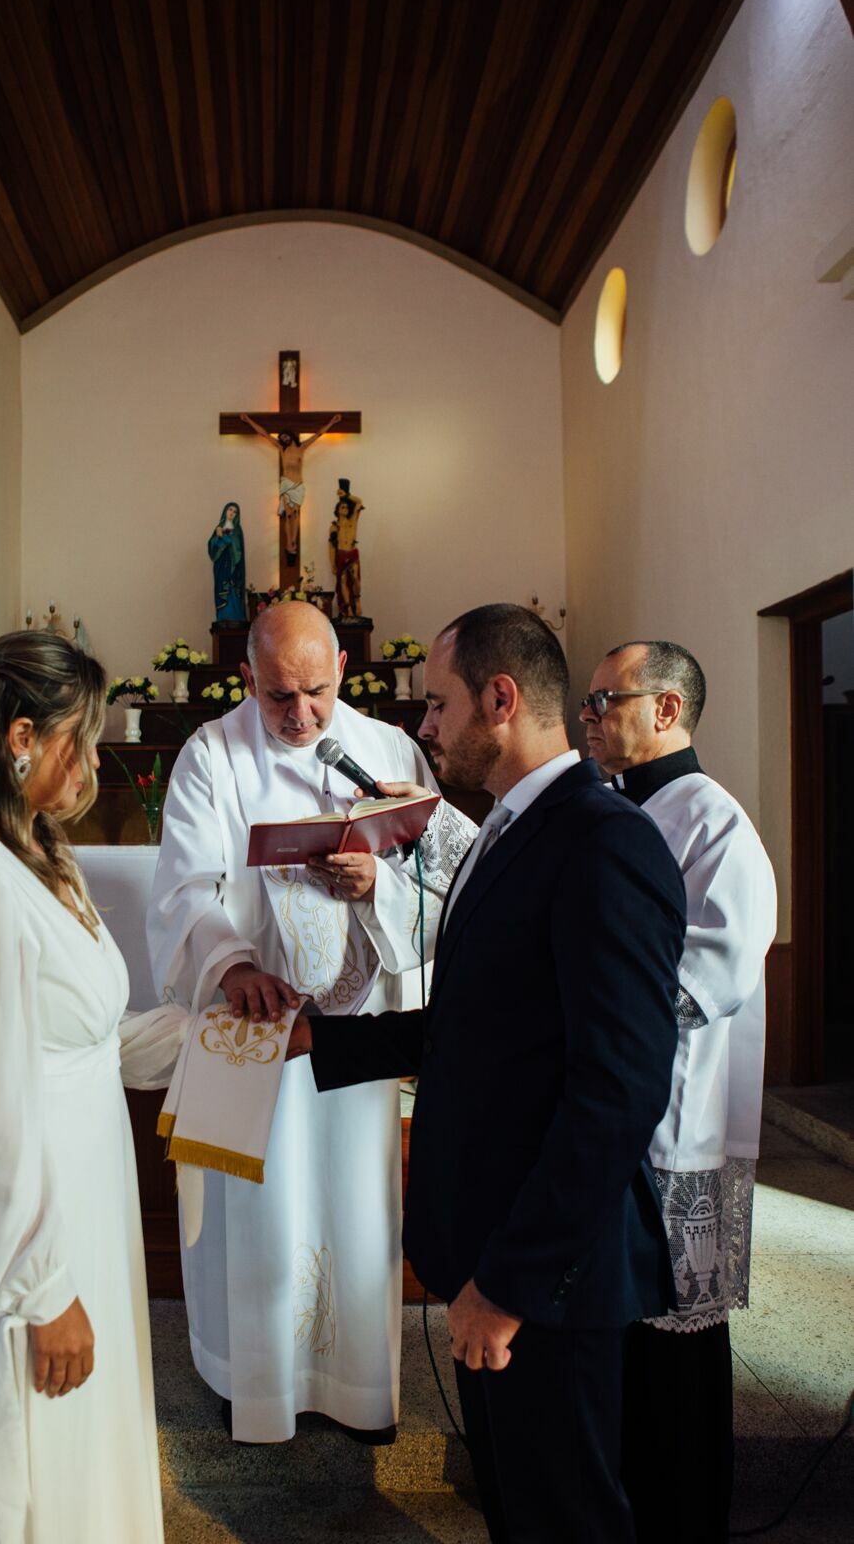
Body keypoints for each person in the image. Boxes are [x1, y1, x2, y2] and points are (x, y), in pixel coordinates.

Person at [286, 604, 687, 1542]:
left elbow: (617, 1091)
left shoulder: (600, 842)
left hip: (546, 1273)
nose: (425, 727)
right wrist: (327, 1040)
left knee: (566, 1516)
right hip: (498, 1251)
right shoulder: (507, 829)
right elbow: (485, 1026)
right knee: (518, 1504)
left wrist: (507, 1286)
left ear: (499, 700)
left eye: (439, 704)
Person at [147, 599, 476, 1444]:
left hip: (354, 1033)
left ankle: (358, 1388)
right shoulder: (212, 755)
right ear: (247, 679)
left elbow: (445, 879)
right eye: (278, 697)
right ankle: (254, 1386)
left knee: (356, 1205)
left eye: (317, 693)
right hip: (258, 1027)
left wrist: (379, 887)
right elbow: (183, 888)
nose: (300, 716)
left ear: (340, 668)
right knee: (257, 1207)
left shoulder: (390, 749)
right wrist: (231, 964)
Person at [0, 631, 190, 1543]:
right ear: (23, 736)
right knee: (22, 1471)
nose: (93, 761)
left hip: (77, 1201)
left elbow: (89, 1043)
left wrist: (222, 1034)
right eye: (81, 740)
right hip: (12, 1235)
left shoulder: (39, 861)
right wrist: (44, 1288)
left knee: (77, 1466)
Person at [580, 640, 777, 1544]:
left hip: (678, 1123)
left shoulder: (714, 822)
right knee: (618, 1330)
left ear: (664, 709)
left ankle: (684, 1515)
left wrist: (577, 992)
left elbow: (712, 971)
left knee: (677, 1340)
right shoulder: (611, 809)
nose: (588, 718)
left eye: (601, 701)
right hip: (611, 1107)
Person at [239, 411, 341, 571]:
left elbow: (319, 434)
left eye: (285, 436)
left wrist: (332, 422)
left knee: (297, 514)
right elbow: (263, 433)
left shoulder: (302, 448)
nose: (283, 439)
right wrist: (248, 420)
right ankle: (289, 544)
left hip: (298, 485)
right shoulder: (281, 449)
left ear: (290, 435)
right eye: (281, 438)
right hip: (287, 484)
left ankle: (293, 540)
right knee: (289, 514)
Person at [328, 480, 364, 619]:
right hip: (341, 554)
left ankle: (357, 600)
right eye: (341, 507)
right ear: (337, 510)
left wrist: (346, 495)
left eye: (346, 507)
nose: (344, 508)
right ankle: (348, 609)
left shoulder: (352, 521)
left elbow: (359, 502)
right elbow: (331, 547)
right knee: (342, 581)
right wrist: (332, 564)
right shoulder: (334, 527)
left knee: (355, 577)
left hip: (352, 552)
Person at [208, 499, 247, 622]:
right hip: (221, 566)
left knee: (233, 591)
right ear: (225, 511)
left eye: (235, 511)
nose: (232, 513)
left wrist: (224, 538)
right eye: (230, 509)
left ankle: (235, 618)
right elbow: (211, 547)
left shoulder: (237, 530)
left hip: (233, 567)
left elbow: (237, 548)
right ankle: (223, 618)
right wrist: (218, 538)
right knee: (222, 590)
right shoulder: (218, 528)